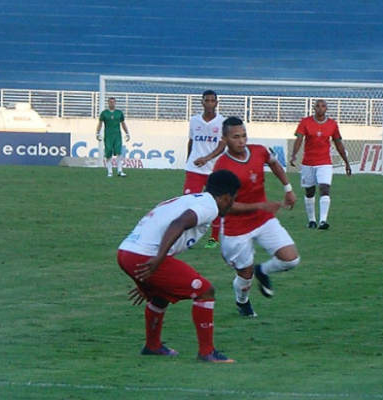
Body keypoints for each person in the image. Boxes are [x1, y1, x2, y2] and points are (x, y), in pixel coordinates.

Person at [117, 169, 241, 363]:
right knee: (205, 291)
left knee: (160, 296)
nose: (231, 204)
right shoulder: (209, 206)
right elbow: (179, 223)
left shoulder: (190, 199)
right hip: (145, 255)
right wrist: (158, 259)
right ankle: (207, 352)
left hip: (126, 252)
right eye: (233, 199)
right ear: (226, 196)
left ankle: (153, 346)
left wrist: (148, 276)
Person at [213, 116, 300, 317]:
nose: (242, 140)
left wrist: (288, 189)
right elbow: (223, 207)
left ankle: (264, 270)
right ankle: (242, 303)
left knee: (291, 260)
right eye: (236, 137)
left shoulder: (259, 151)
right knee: (245, 274)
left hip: (262, 219)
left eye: (244, 135)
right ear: (225, 139)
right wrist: (260, 205)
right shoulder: (222, 167)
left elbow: (275, 164)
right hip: (236, 228)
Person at [289, 99, 352, 230]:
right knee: (310, 191)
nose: (320, 108)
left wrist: (346, 162)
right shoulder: (305, 122)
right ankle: (312, 220)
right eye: (317, 106)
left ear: (326, 109)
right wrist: (294, 154)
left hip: (325, 163)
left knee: (324, 188)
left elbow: (338, 143)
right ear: (314, 108)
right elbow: (299, 139)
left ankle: (323, 220)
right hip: (308, 162)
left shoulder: (332, 124)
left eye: (323, 106)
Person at [184, 90, 227, 249]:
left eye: (212, 101)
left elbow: (222, 145)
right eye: (206, 100)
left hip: (213, 171)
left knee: (214, 204)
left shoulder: (222, 122)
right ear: (202, 102)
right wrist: (188, 160)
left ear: (216, 103)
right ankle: (187, 239)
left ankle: (214, 238)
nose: (209, 103)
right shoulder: (194, 120)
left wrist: (206, 158)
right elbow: (191, 141)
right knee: (188, 203)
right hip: (194, 169)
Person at [95, 97, 130, 177]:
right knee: (108, 153)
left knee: (118, 152)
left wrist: (127, 132)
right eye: (110, 102)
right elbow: (100, 123)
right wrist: (97, 133)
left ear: (115, 103)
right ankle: (110, 171)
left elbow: (123, 123)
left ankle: (120, 171)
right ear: (108, 103)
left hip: (117, 135)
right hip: (108, 135)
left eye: (113, 102)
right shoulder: (104, 113)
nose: (112, 103)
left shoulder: (119, 113)